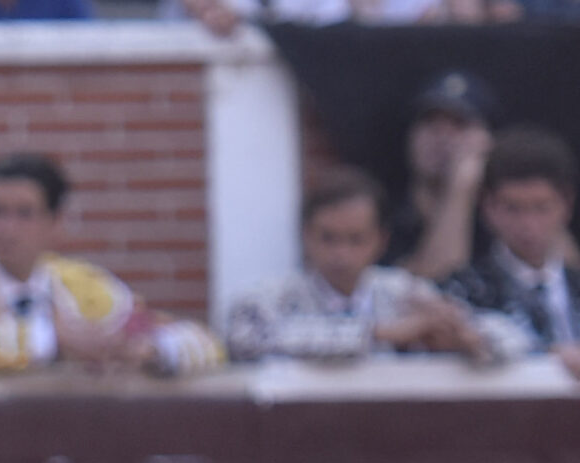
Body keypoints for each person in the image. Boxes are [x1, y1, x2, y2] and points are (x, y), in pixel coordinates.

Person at [0, 152, 223, 376]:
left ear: (55, 222)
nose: (6, 228)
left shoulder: (85, 288)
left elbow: (205, 345)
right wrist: (50, 340)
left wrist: (148, 351)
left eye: (24, 214)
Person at [226, 168, 526, 365]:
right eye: (328, 238)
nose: (341, 254)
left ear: (380, 240)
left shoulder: (404, 291)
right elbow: (244, 339)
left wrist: (465, 336)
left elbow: (517, 339)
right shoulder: (272, 296)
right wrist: (381, 333)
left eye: (356, 240)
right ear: (306, 236)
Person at [443, 127, 580, 375]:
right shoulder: (464, 291)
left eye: (542, 207)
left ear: (566, 205)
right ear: (488, 206)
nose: (528, 225)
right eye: (513, 208)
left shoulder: (576, 283)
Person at [386, 71, 499, 285]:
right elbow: (439, 281)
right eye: (430, 122)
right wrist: (459, 189)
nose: (441, 136)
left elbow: (566, 278)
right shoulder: (386, 215)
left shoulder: (502, 211)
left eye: (458, 124)